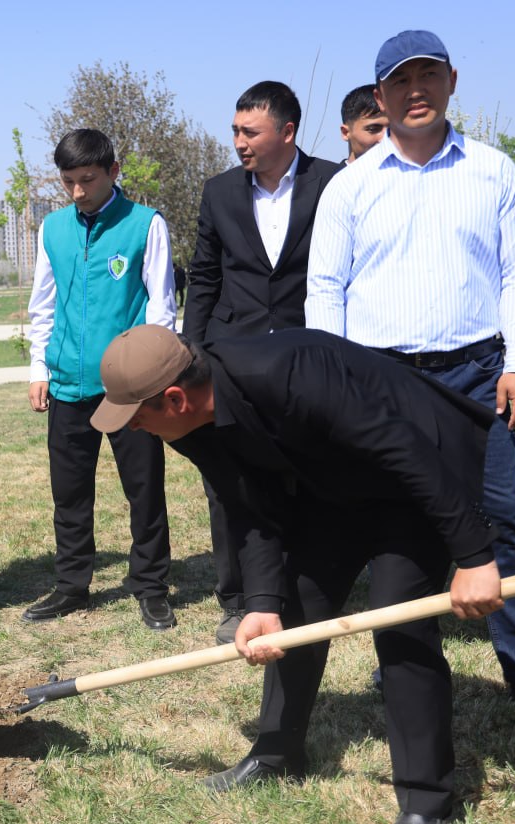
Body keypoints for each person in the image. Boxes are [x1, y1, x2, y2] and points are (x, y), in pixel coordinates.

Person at [95, 324, 503, 824]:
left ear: (174, 398)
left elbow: (404, 450)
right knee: (295, 605)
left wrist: (474, 558)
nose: (134, 430)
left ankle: (427, 802)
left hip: (416, 475)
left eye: (136, 417)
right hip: (333, 485)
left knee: (399, 620)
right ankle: (277, 754)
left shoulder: (289, 374)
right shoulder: (189, 424)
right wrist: (262, 603)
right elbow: (250, 506)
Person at [306, 29, 515, 713]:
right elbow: (325, 289)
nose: (415, 92)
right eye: (400, 82)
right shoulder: (350, 187)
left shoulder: (493, 171)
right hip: (382, 381)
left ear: (451, 80)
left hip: (478, 377)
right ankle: (405, 662)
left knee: (502, 518)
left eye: (427, 77)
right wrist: (334, 384)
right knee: (401, 530)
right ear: (381, 97)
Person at [184, 81, 343, 644]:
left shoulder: (333, 183)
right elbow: (205, 276)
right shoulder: (220, 192)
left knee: (309, 470)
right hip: (232, 356)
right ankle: (237, 595)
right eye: (235, 130)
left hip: (306, 356)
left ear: (287, 132)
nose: (238, 142)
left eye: (249, 131)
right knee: (231, 479)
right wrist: (194, 352)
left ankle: (306, 581)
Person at [22, 129, 176, 629]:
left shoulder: (145, 225)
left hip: (129, 391)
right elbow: (42, 304)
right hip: (67, 385)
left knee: (144, 489)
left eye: (87, 179)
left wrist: (152, 376)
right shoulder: (53, 229)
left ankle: (151, 585)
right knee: (69, 493)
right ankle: (72, 585)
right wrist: (39, 369)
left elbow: (162, 307)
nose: (77, 192)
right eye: (68, 182)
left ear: (113, 171)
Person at [339, 84, 388, 164]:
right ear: (346, 133)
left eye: (394, 130)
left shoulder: (411, 175)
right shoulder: (334, 176)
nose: (385, 138)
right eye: (373, 129)